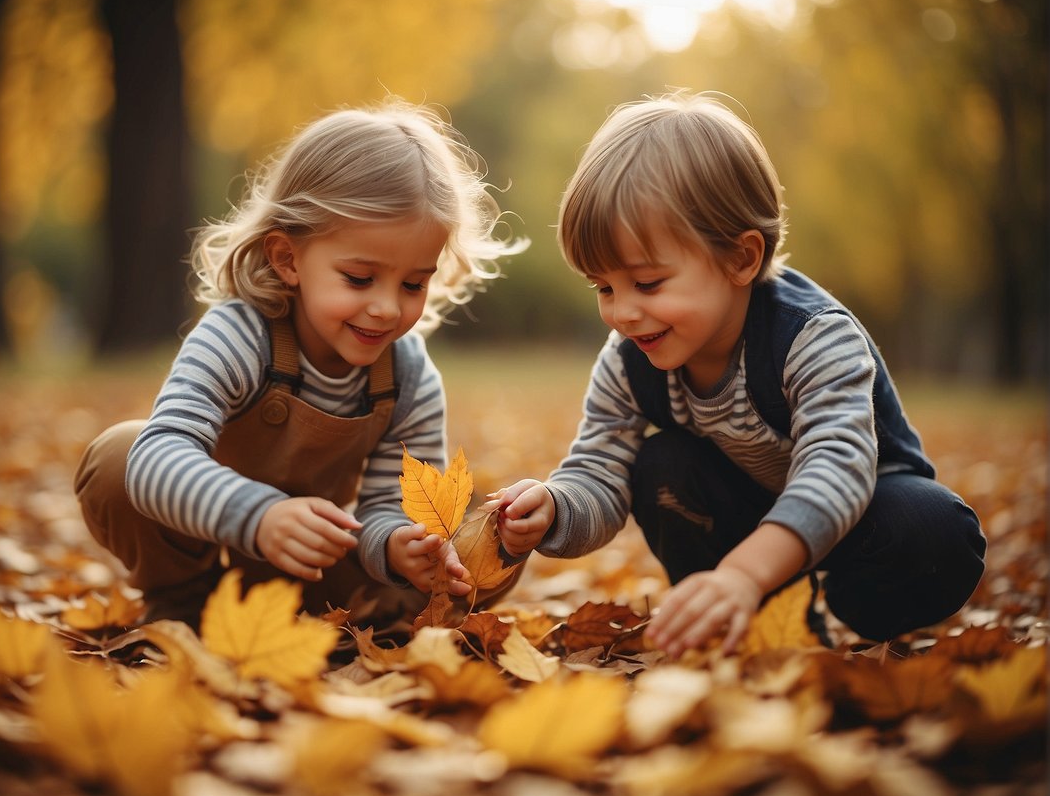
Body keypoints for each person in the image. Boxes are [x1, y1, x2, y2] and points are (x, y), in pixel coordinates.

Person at [494, 92, 986, 656]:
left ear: (740, 258)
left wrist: (746, 573)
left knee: (934, 529)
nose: (623, 312)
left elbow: (837, 465)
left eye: (647, 283)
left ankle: (849, 610)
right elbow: (600, 467)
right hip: (744, 511)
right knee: (660, 466)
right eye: (604, 287)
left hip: (864, 516)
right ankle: (732, 616)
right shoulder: (629, 358)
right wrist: (556, 506)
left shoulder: (811, 335)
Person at [75, 99, 525, 627]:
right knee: (120, 456)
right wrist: (255, 514)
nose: (386, 307)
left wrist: (398, 548)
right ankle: (184, 605)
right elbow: (157, 457)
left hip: (319, 570)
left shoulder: (406, 373)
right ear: (288, 259)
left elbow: (388, 506)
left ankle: (364, 617)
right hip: (213, 536)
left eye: (412, 284)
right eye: (359, 278)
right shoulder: (239, 335)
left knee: (489, 531)